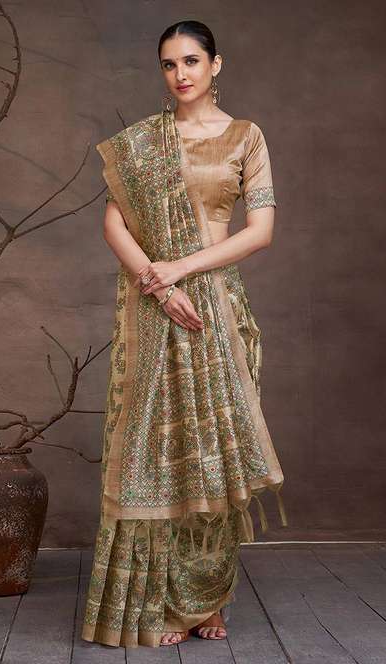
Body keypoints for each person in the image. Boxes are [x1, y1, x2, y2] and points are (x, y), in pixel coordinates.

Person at [81, 19, 288, 649]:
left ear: (216, 64)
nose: (181, 75)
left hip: (217, 311)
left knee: (211, 455)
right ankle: (160, 601)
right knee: (157, 454)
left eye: (192, 61)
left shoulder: (246, 137)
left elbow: (260, 232)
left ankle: (207, 598)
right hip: (157, 310)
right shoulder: (144, 144)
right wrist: (159, 284)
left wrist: (182, 269)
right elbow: (113, 224)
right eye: (169, 64)